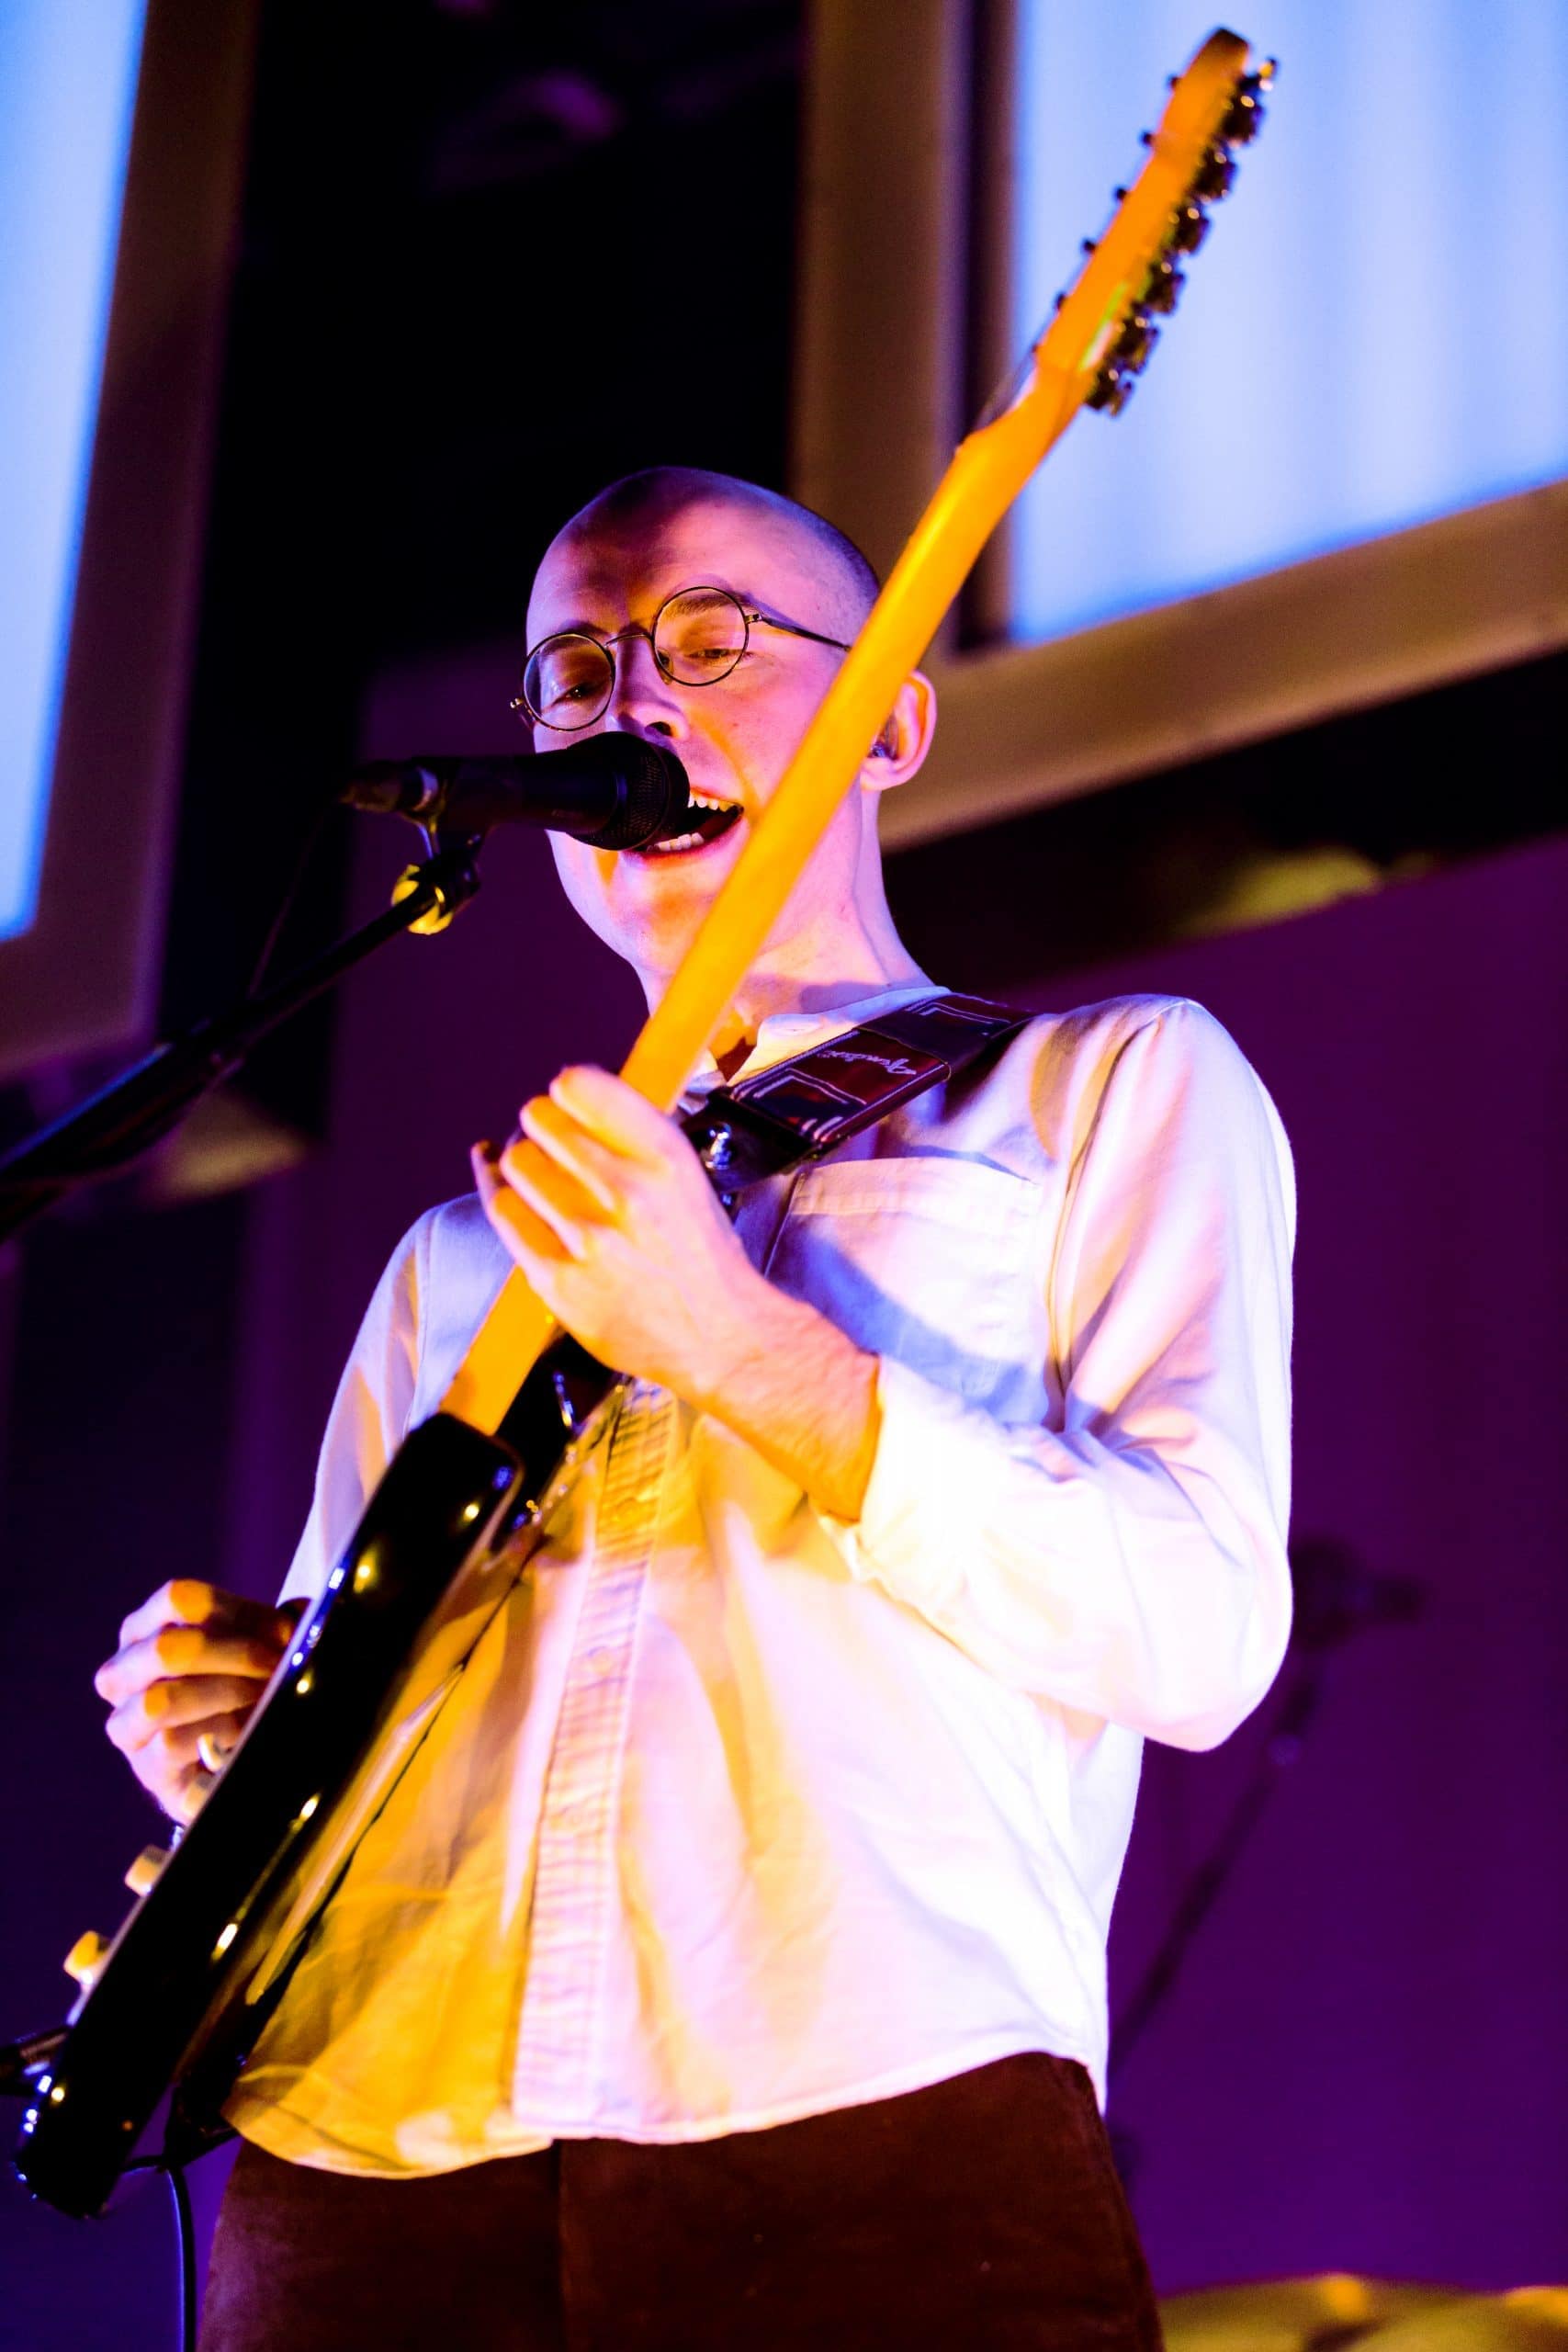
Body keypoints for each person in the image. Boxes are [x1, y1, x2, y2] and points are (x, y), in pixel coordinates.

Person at [95, 467, 1295, 2350]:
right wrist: (234, 1735)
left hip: (862, 2113)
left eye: (709, 646)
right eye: (574, 673)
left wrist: (736, 1337)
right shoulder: (458, 1253)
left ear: (888, 718)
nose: (632, 710)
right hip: (366, 2150)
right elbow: (353, 1733)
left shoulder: (1100, 1092)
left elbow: (1200, 1633)